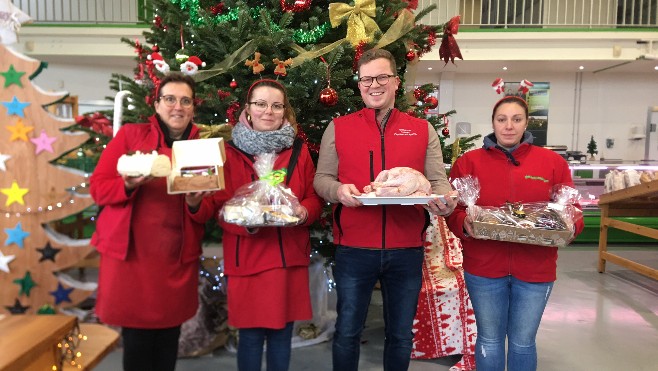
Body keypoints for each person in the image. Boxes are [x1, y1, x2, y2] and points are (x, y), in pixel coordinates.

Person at [313, 48, 458, 371]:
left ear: (395, 81)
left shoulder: (422, 130)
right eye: (366, 79)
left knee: (401, 334)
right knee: (347, 331)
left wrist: (445, 202)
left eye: (381, 77)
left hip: (406, 249)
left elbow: (438, 182)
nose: (373, 85)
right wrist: (338, 190)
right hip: (353, 248)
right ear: (359, 84)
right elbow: (321, 179)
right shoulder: (338, 128)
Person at [189, 79, 323, 371]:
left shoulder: (298, 151)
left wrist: (303, 211)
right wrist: (197, 203)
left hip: (288, 258)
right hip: (247, 259)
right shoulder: (227, 153)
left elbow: (314, 198)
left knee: (281, 335)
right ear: (247, 110)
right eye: (260, 104)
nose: (268, 111)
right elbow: (216, 207)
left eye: (276, 106)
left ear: (284, 111)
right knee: (249, 336)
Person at [444, 95, 585, 371]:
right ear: (493, 123)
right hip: (484, 268)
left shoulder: (552, 163)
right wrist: (463, 222)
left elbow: (573, 210)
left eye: (516, 119)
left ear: (526, 123)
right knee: (489, 338)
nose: (509, 126)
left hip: (536, 270)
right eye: (502, 119)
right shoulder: (469, 162)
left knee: (523, 342)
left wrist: (570, 227)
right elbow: (454, 210)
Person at [90, 72, 210, 371]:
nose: (177, 107)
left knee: (168, 339)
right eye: (170, 99)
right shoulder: (131, 136)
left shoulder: (202, 148)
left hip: (175, 259)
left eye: (185, 101)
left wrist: (196, 202)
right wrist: (128, 185)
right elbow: (99, 187)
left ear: (193, 107)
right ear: (156, 105)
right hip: (133, 258)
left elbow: (211, 207)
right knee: (138, 344)